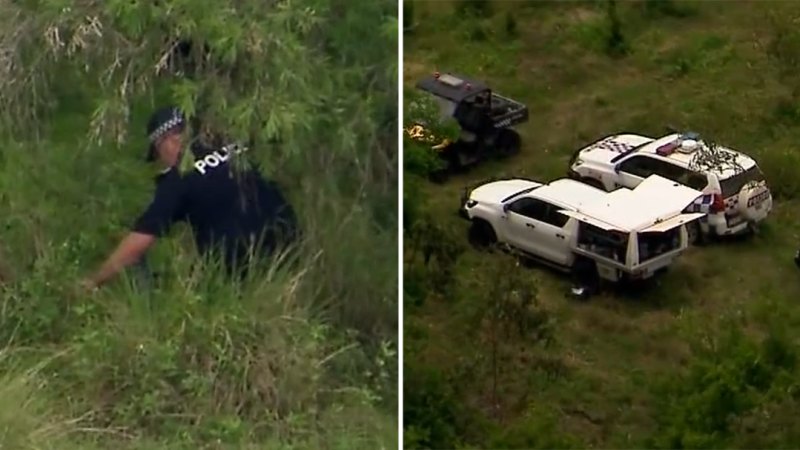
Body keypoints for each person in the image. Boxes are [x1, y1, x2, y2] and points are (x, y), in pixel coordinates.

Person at [81, 106, 298, 290]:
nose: (161, 160)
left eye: (157, 153)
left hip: (240, 268)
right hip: (291, 245)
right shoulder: (235, 142)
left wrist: (93, 281)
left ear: (167, 141)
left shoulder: (176, 181)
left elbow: (139, 242)